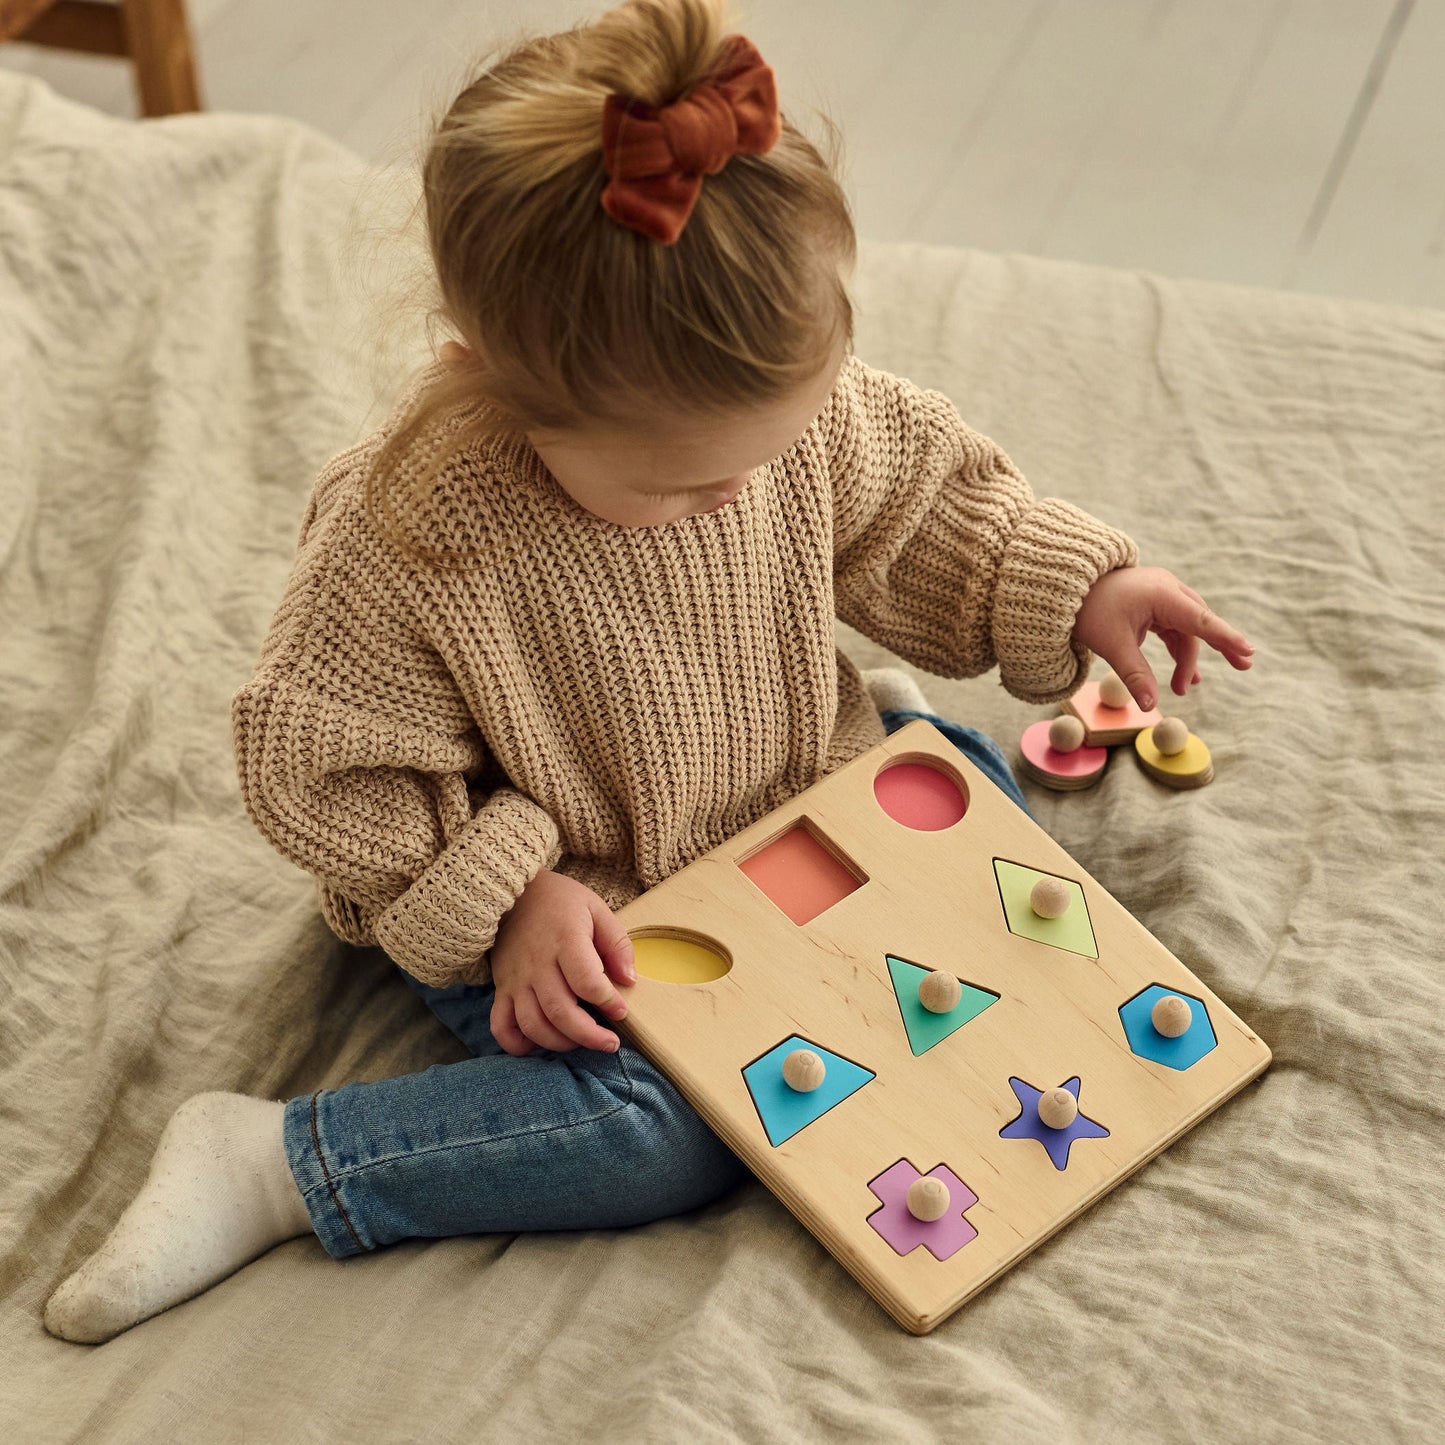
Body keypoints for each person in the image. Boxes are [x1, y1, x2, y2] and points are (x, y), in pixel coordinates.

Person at [43, 0, 1253, 1344]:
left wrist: (1079, 582)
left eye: (761, 457)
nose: (736, 493)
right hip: (572, 893)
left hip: (792, 793)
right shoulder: (412, 529)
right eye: (683, 485)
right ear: (493, 378)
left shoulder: (784, 420)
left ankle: (883, 740)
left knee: (978, 828)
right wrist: (510, 900)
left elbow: (917, 511)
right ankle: (280, 1161)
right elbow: (320, 772)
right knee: (663, 1134)